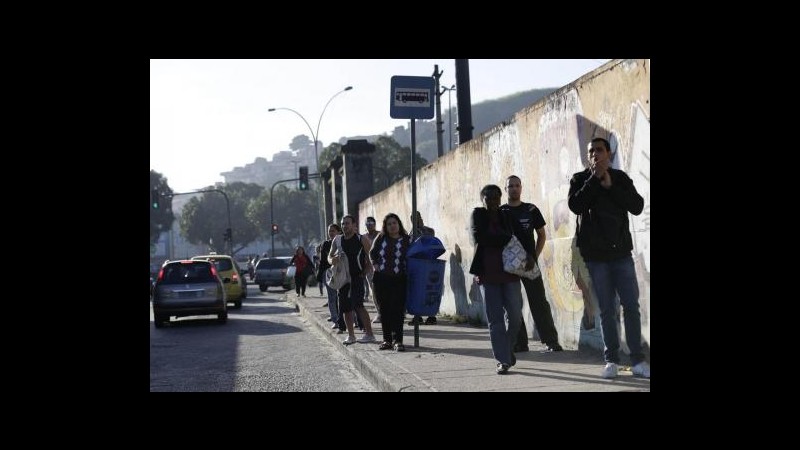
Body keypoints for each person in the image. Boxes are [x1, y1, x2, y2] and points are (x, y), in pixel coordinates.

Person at [568, 137, 650, 379]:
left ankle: (637, 361)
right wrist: (594, 180)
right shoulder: (580, 179)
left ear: (609, 154)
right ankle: (611, 360)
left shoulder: (621, 178)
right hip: (596, 258)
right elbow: (576, 205)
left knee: (631, 308)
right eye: (591, 151)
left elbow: (636, 205)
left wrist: (610, 185)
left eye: (599, 150)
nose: (595, 155)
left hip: (621, 255)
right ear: (588, 156)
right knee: (606, 310)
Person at [469, 184, 533, 374]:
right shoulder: (478, 215)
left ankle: (506, 349)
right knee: (495, 320)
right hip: (488, 274)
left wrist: (529, 254)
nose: (493, 202)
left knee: (515, 316)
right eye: (488, 198)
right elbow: (480, 237)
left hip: (510, 273)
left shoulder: (506, 215)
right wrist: (505, 238)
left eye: (496, 197)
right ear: (482, 200)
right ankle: (502, 360)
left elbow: (521, 236)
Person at [502, 175, 564, 353]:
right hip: (509, 267)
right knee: (513, 305)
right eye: (510, 186)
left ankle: (551, 341)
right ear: (506, 189)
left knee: (539, 303)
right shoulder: (500, 212)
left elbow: (542, 235)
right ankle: (520, 343)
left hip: (530, 266)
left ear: (521, 188)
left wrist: (534, 257)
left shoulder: (531, 210)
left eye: (516, 185)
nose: (514, 188)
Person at [328, 214, 376, 345]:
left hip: (357, 278)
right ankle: (351, 336)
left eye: (347, 223)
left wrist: (365, 272)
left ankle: (370, 334)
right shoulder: (337, 240)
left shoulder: (362, 239)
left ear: (354, 225)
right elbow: (329, 256)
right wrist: (332, 260)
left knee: (359, 306)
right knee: (345, 308)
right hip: (342, 279)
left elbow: (370, 258)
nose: (344, 226)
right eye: (343, 223)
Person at [369, 213, 412, 352]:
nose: (392, 226)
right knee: (385, 310)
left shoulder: (407, 240)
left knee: (398, 311)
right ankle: (387, 340)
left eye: (394, 223)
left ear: (399, 224)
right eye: (389, 224)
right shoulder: (381, 238)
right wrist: (375, 265)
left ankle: (398, 341)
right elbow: (372, 253)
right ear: (385, 227)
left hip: (400, 279)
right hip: (381, 279)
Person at [408, 211, 438, 326]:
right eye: (413, 218)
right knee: (416, 291)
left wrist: (419, 230)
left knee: (430, 290)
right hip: (416, 265)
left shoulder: (429, 230)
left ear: (421, 218)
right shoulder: (410, 233)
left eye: (417, 217)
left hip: (429, 264)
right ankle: (418, 316)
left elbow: (428, 239)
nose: (416, 220)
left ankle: (431, 316)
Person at [318, 224, 345, 333]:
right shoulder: (326, 244)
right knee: (332, 297)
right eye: (329, 231)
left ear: (339, 232)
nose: (331, 233)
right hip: (329, 272)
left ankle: (350, 320)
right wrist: (320, 275)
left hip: (342, 272)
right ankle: (335, 320)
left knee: (343, 297)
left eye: (333, 231)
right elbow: (323, 261)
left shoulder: (343, 241)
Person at [363, 216, 381, 323]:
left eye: (371, 223)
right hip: (369, 268)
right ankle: (379, 313)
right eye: (367, 223)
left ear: (375, 224)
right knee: (374, 291)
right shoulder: (364, 237)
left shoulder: (380, 235)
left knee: (383, 291)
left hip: (381, 267)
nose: (369, 225)